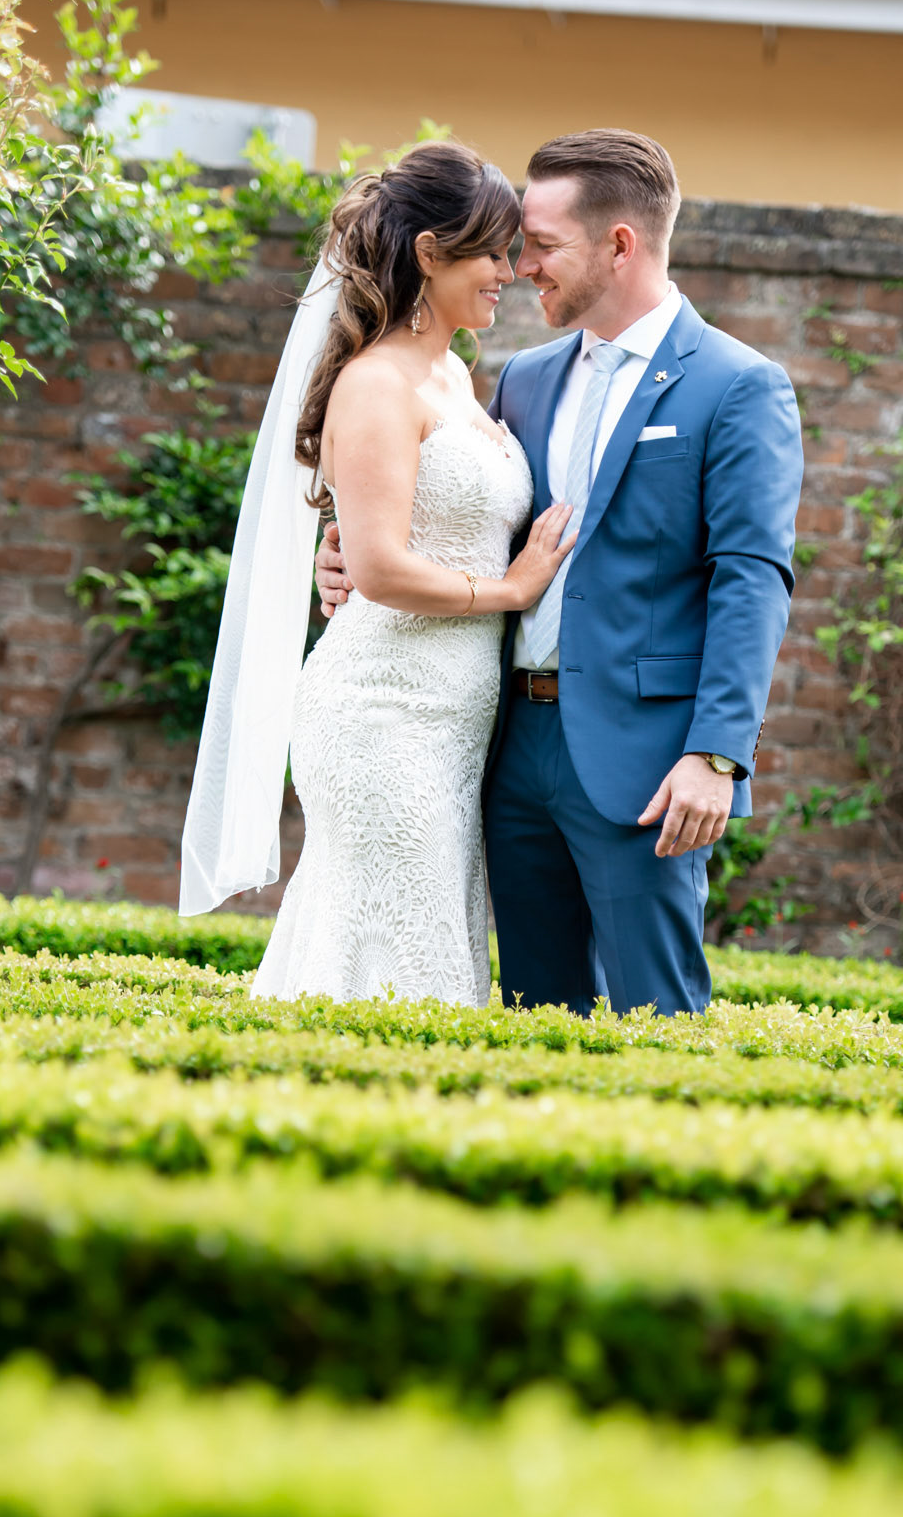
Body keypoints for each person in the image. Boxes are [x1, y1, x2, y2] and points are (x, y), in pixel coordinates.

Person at [316, 128, 803, 1016]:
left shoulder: (738, 385)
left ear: (618, 244)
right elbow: (461, 517)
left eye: (540, 245)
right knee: (531, 1017)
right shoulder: (521, 381)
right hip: (502, 746)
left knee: (656, 1017)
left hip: (644, 762)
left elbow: (752, 577)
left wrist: (717, 755)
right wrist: (347, 548)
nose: (519, 265)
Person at [178, 139, 575, 1003]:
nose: (510, 270)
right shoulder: (376, 382)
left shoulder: (461, 378)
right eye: (491, 252)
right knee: (401, 955)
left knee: (428, 939)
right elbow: (384, 567)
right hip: (380, 714)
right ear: (430, 254)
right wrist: (508, 592)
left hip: (457, 720)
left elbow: (416, 524)